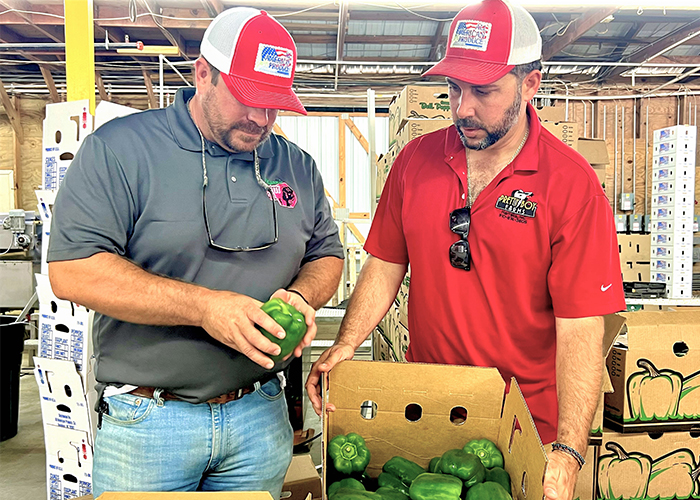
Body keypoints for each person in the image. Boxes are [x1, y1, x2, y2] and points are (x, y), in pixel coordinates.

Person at [307, 1, 624, 499]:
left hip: (520, 422)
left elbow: (582, 324)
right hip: (429, 407)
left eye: (484, 90)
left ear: (530, 84)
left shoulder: (571, 185)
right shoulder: (416, 161)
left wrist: (567, 449)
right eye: (454, 88)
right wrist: (346, 343)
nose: (463, 107)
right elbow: (386, 262)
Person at [47, 7, 344, 499]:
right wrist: (205, 308)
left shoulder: (296, 165)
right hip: (150, 423)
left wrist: (303, 296)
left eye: (273, 105)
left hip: (259, 414)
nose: (260, 119)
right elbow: (74, 271)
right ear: (203, 73)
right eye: (246, 99)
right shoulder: (121, 150)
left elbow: (326, 254)